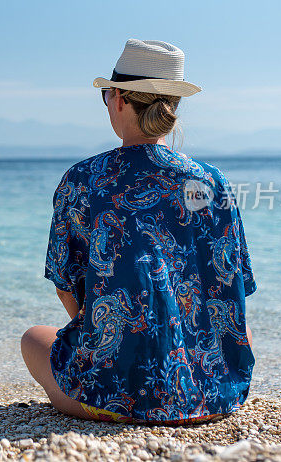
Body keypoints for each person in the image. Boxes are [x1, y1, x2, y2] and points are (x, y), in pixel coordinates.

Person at [21, 39, 256, 425]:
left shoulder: (84, 179)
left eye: (108, 96)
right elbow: (234, 288)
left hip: (112, 396)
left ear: (118, 100)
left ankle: (120, 402)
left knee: (33, 338)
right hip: (212, 396)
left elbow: (66, 285)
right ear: (172, 108)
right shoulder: (211, 181)